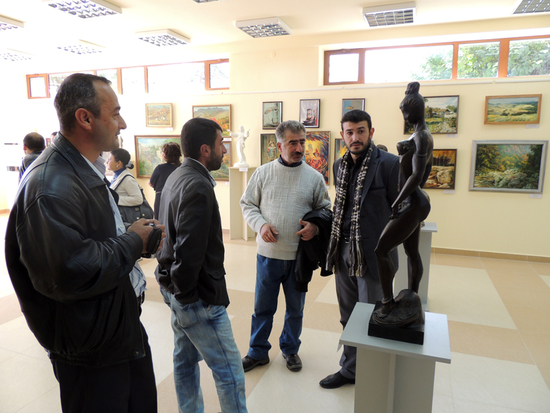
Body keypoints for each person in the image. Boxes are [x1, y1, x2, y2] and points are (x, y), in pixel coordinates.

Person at [5, 73, 162, 413]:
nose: (123, 123)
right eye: (115, 113)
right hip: (91, 349)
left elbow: (92, 240)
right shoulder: (51, 184)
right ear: (85, 118)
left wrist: (134, 237)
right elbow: (71, 269)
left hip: (117, 329)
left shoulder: (84, 169)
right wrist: (132, 242)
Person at [154, 117, 247, 413]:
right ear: (206, 149)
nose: (225, 150)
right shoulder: (197, 185)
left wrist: (175, 290)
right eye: (221, 144)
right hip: (196, 298)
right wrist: (186, 296)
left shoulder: (177, 175)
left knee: (184, 361)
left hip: (175, 288)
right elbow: (189, 249)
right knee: (230, 371)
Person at [240, 120, 331, 373]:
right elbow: (248, 204)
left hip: (299, 258)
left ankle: (290, 349)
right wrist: (260, 225)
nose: (299, 148)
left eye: (302, 142)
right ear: (279, 145)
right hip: (268, 256)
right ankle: (257, 351)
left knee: (296, 309)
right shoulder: (262, 173)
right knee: (262, 308)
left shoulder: (314, 178)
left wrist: (315, 227)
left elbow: (325, 210)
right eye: (292, 142)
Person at [319, 109, 399, 389]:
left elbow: (402, 212)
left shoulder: (389, 164)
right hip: (343, 251)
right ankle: (351, 369)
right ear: (343, 135)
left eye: (361, 131)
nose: (355, 137)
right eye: (349, 132)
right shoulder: (338, 166)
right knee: (349, 315)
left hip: (374, 255)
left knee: (372, 316)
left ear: (371, 132)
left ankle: (373, 376)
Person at [373, 81, 434, 325]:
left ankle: (388, 302)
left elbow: (417, 176)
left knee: (381, 250)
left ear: (414, 110)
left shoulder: (422, 136)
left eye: (405, 112)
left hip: (413, 202)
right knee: (411, 252)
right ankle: (412, 297)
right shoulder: (418, 135)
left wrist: (396, 201)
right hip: (415, 201)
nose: (404, 117)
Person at [148, 142, 182, 219]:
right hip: (178, 198)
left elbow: (151, 183)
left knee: (160, 222)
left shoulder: (160, 168)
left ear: (166, 155)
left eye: (163, 152)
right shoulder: (182, 168)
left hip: (161, 198)